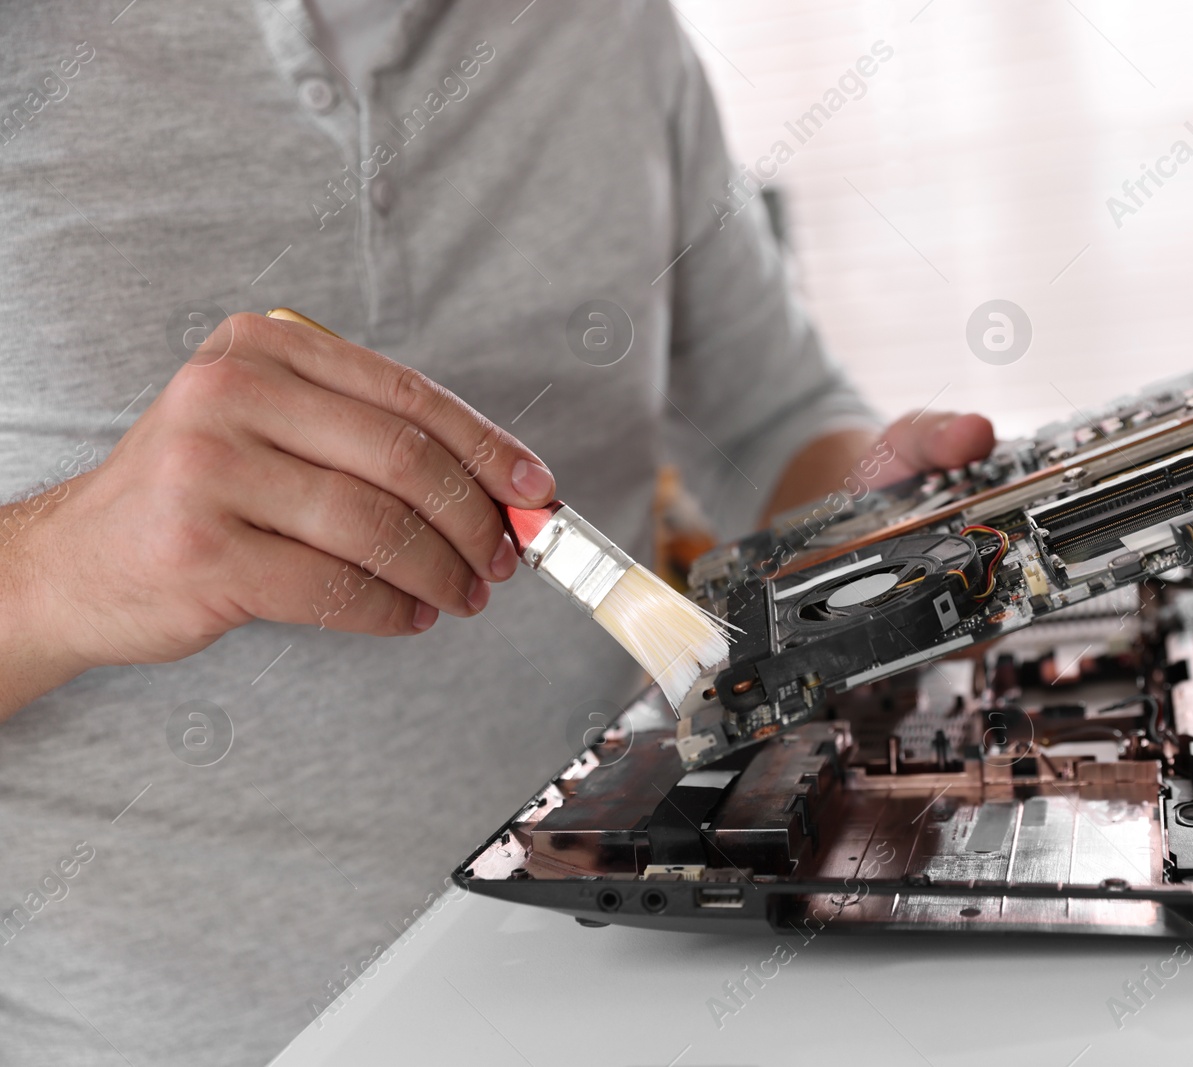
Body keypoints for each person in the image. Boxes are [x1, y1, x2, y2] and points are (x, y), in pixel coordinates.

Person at [0, 3, 993, 1063]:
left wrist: (873, 511)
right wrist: (60, 566)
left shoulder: (612, 29)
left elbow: (769, 412)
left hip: (620, 989)